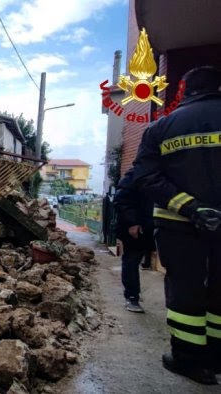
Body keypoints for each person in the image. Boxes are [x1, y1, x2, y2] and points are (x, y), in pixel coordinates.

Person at [133, 66, 221, 385]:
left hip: (179, 225)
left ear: (184, 90)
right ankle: (216, 355)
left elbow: (145, 176)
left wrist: (191, 207)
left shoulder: (162, 127)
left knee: (186, 290)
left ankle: (190, 360)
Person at [113, 168, 155, 313]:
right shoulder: (133, 177)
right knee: (131, 260)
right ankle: (132, 297)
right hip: (135, 228)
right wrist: (132, 223)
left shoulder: (159, 174)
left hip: (152, 227)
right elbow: (121, 200)